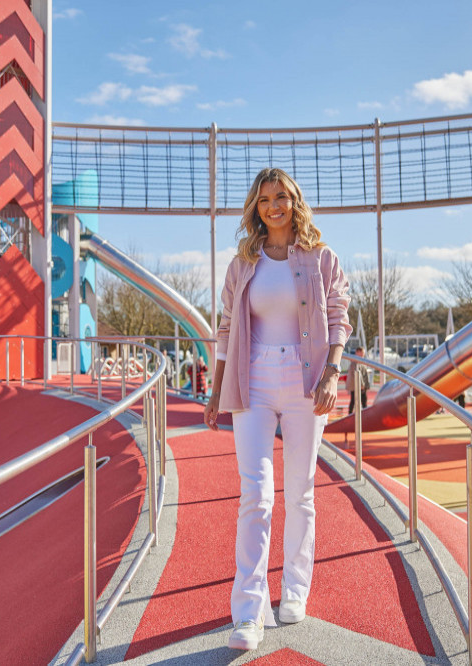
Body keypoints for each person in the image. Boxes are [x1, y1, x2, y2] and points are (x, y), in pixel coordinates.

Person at [203, 168, 351, 651]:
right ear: (256, 207)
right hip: (255, 380)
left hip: (307, 381)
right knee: (256, 495)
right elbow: (226, 331)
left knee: (301, 493)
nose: (274, 206)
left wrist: (332, 372)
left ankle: (294, 590)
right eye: (264, 199)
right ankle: (248, 611)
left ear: (294, 201)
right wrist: (215, 390)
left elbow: (339, 319)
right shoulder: (242, 264)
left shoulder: (321, 258)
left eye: (281, 196)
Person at [346, 347, 369, 413]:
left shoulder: (362, 362)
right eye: (361, 353)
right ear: (357, 352)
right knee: (354, 400)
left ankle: (365, 413)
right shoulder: (354, 363)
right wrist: (361, 384)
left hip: (361, 386)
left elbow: (364, 374)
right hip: (355, 386)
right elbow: (355, 374)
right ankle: (350, 413)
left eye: (363, 354)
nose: (363, 355)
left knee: (364, 399)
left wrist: (366, 385)